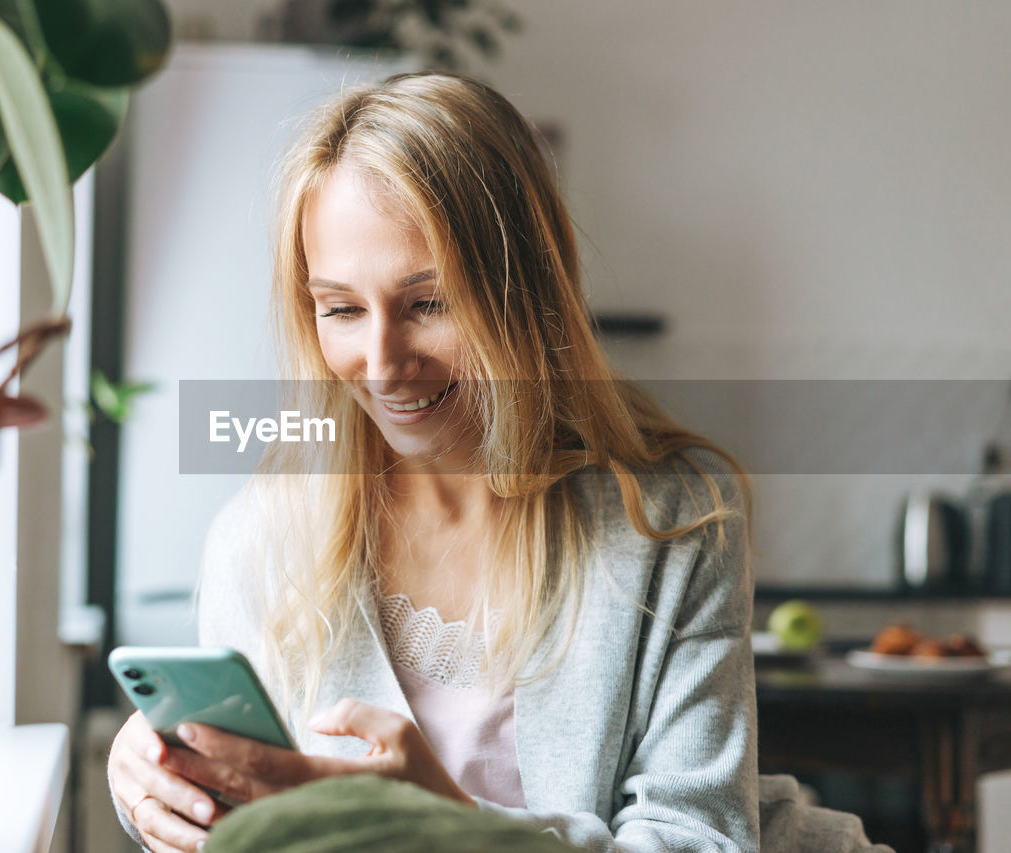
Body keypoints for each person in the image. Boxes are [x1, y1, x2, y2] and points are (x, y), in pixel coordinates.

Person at [108, 71, 759, 852]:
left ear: (526, 292)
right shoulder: (262, 538)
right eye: (342, 309)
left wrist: (450, 828)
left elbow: (700, 837)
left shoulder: (672, 520)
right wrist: (160, 787)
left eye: (429, 302)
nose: (381, 363)